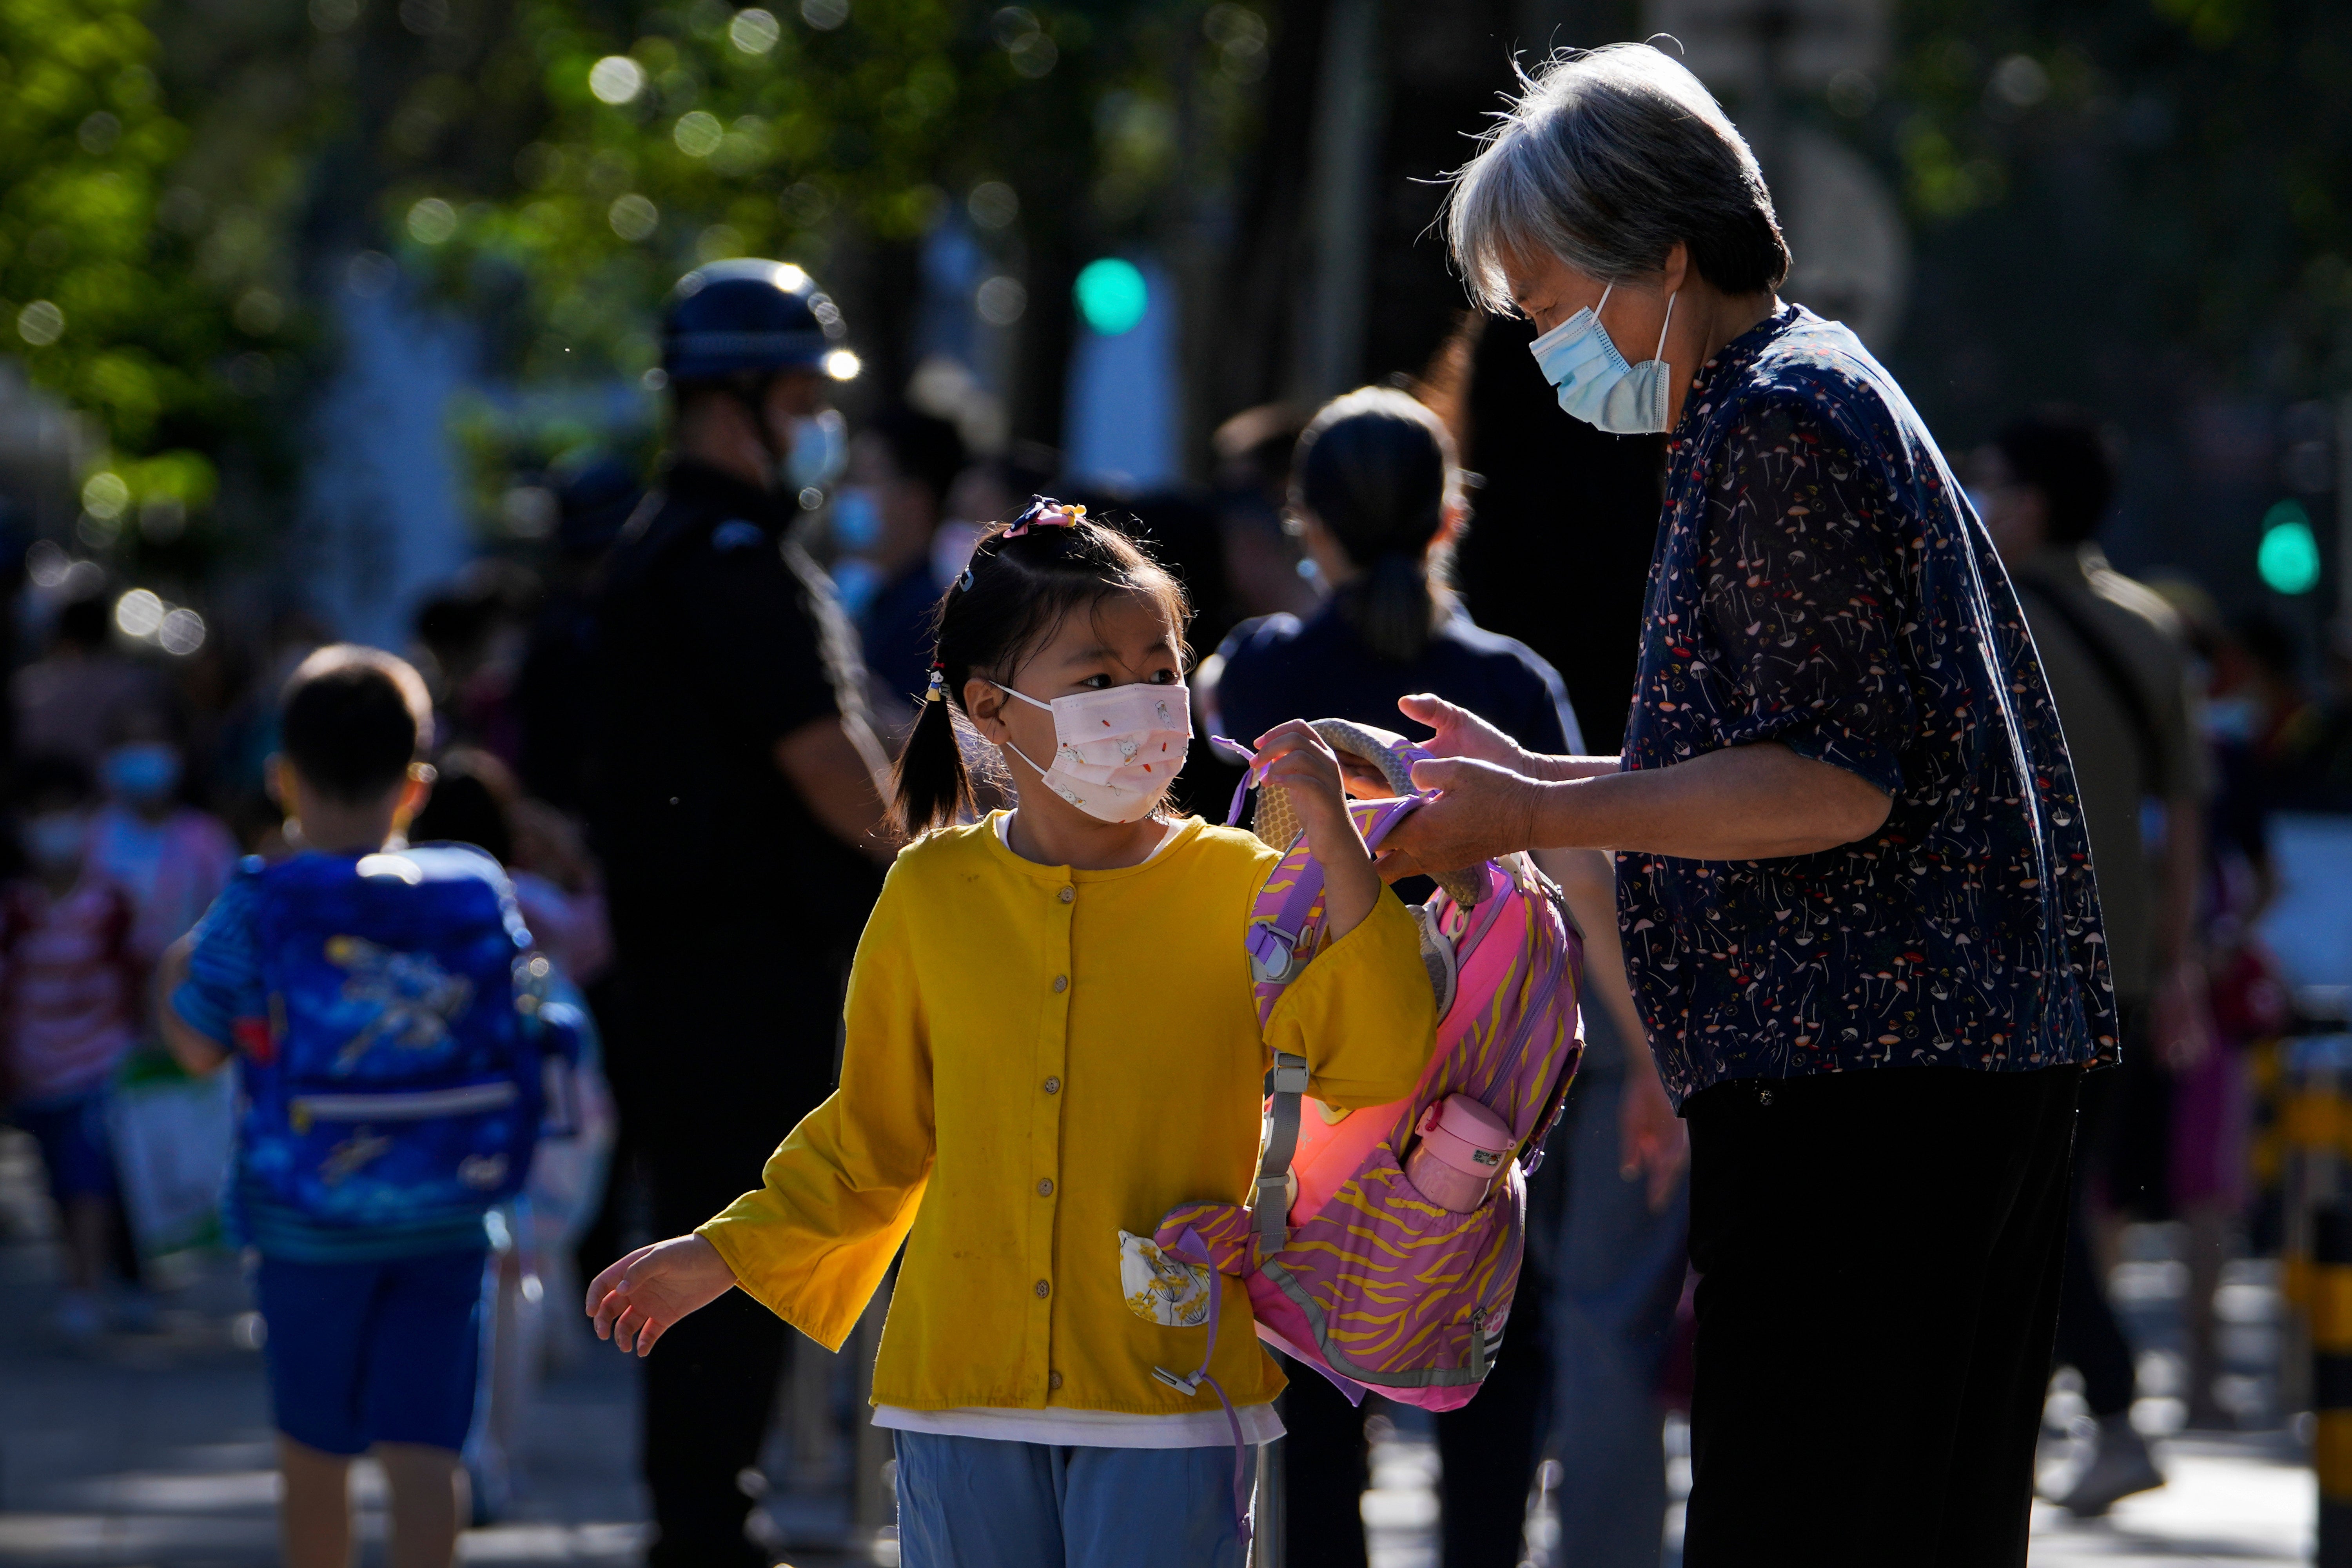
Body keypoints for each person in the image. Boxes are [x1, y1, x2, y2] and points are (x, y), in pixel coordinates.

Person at [1385, 45, 2111, 1568]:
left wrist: (1525, 817)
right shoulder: (1792, 397)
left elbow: (1828, 786)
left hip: (1873, 1090)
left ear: (1662, 254)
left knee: (1812, 1518)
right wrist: (1530, 790)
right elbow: (1768, 763)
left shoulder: (1778, 422)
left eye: (1550, 302)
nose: (1539, 344)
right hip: (1924, 1072)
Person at [582, 501, 1438, 1565]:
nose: (1140, 701)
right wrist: (726, 1253)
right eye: (1095, 679)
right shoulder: (931, 892)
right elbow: (875, 1139)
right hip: (959, 1393)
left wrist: (1340, 851)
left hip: (1171, 1387)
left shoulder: (1248, 886)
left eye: (1158, 668)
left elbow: (1386, 1059)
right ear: (991, 707)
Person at [1203, 386, 1685, 1567]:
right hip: (1481, 1069)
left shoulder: (1255, 670)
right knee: (1491, 1329)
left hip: (1300, 1068)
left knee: (1303, 1333)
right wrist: (1650, 1066)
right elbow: (1581, 877)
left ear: (1304, 525)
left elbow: (1211, 873)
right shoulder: (1507, 680)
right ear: (1446, 519)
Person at [584, 258, 896, 1567]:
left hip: (697, 970)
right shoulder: (725, 559)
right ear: (741, 400)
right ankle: (711, 1524)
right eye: (803, 391)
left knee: (725, 1240)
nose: (819, 417)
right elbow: (827, 762)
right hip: (736, 975)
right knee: (738, 1245)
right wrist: (949, 866)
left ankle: (707, 1509)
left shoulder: (684, 547)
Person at [157, 646, 514, 1568]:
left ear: (282, 780)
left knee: (315, 1452)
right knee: (428, 1451)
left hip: (305, 1225)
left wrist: (175, 973)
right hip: (451, 1211)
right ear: (415, 787)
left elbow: (197, 1043)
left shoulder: (258, 901)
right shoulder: (474, 887)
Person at [1975, 408, 2210, 1509]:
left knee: (2029, 1212)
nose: (1978, 501)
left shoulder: (1991, 617)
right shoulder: (2154, 628)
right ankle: (2081, 1422)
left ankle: (2109, 1413)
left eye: (1993, 483)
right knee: (2059, 1204)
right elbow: (2186, 816)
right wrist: (2180, 968)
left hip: (2008, 971)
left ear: (2035, 505)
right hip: (2122, 970)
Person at [1, 754, 145, 1342]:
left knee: (91, 1178)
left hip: (100, 1066)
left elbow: (135, 974)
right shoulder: (15, 909)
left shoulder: (110, 904)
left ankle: (86, 1289)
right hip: (34, 1072)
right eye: (43, 815)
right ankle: (99, 1279)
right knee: (63, 1185)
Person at [841, 405, 969, 722]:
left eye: (862, 479)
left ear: (915, 499)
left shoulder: (927, 616)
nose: (845, 496)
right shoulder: (887, 598)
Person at [89, 710, 241, 964]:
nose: (142, 752)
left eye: (152, 740)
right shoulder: (92, 836)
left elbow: (233, 921)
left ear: (178, 750)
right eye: (130, 742)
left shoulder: (208, 837)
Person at [12, 594, 163, 770]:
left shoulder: (29, 684)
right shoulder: (132, 684)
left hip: (34, 786)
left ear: (61, 635)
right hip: (101, 788)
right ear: (106, 637)